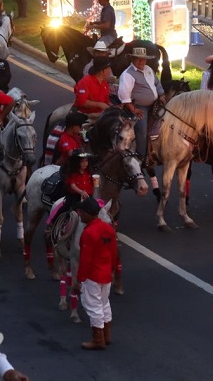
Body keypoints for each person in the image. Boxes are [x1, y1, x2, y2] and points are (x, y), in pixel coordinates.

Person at [72, 197, 118, 351]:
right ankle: (107, 335)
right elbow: (114, 252)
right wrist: (113, 270)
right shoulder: (109, 228)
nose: (80, 215)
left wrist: (79, 280)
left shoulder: (88, 233)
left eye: (82, 212)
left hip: (93, 275)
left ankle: (98, 339)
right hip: (106, 274)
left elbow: (85, 260)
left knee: (93, 306)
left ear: (88, 214)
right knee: (105, 303)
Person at [118, 47, 165, 159]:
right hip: (139, 106)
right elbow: (124, 95)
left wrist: (162, 95)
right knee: (142, 129)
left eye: (143, 59)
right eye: (139, 59)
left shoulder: (148, 69)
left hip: (154, 104)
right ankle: (141, 156)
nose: (142, 62)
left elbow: (157, 83)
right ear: (133, 59)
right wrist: (133, 109)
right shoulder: (128, 74)